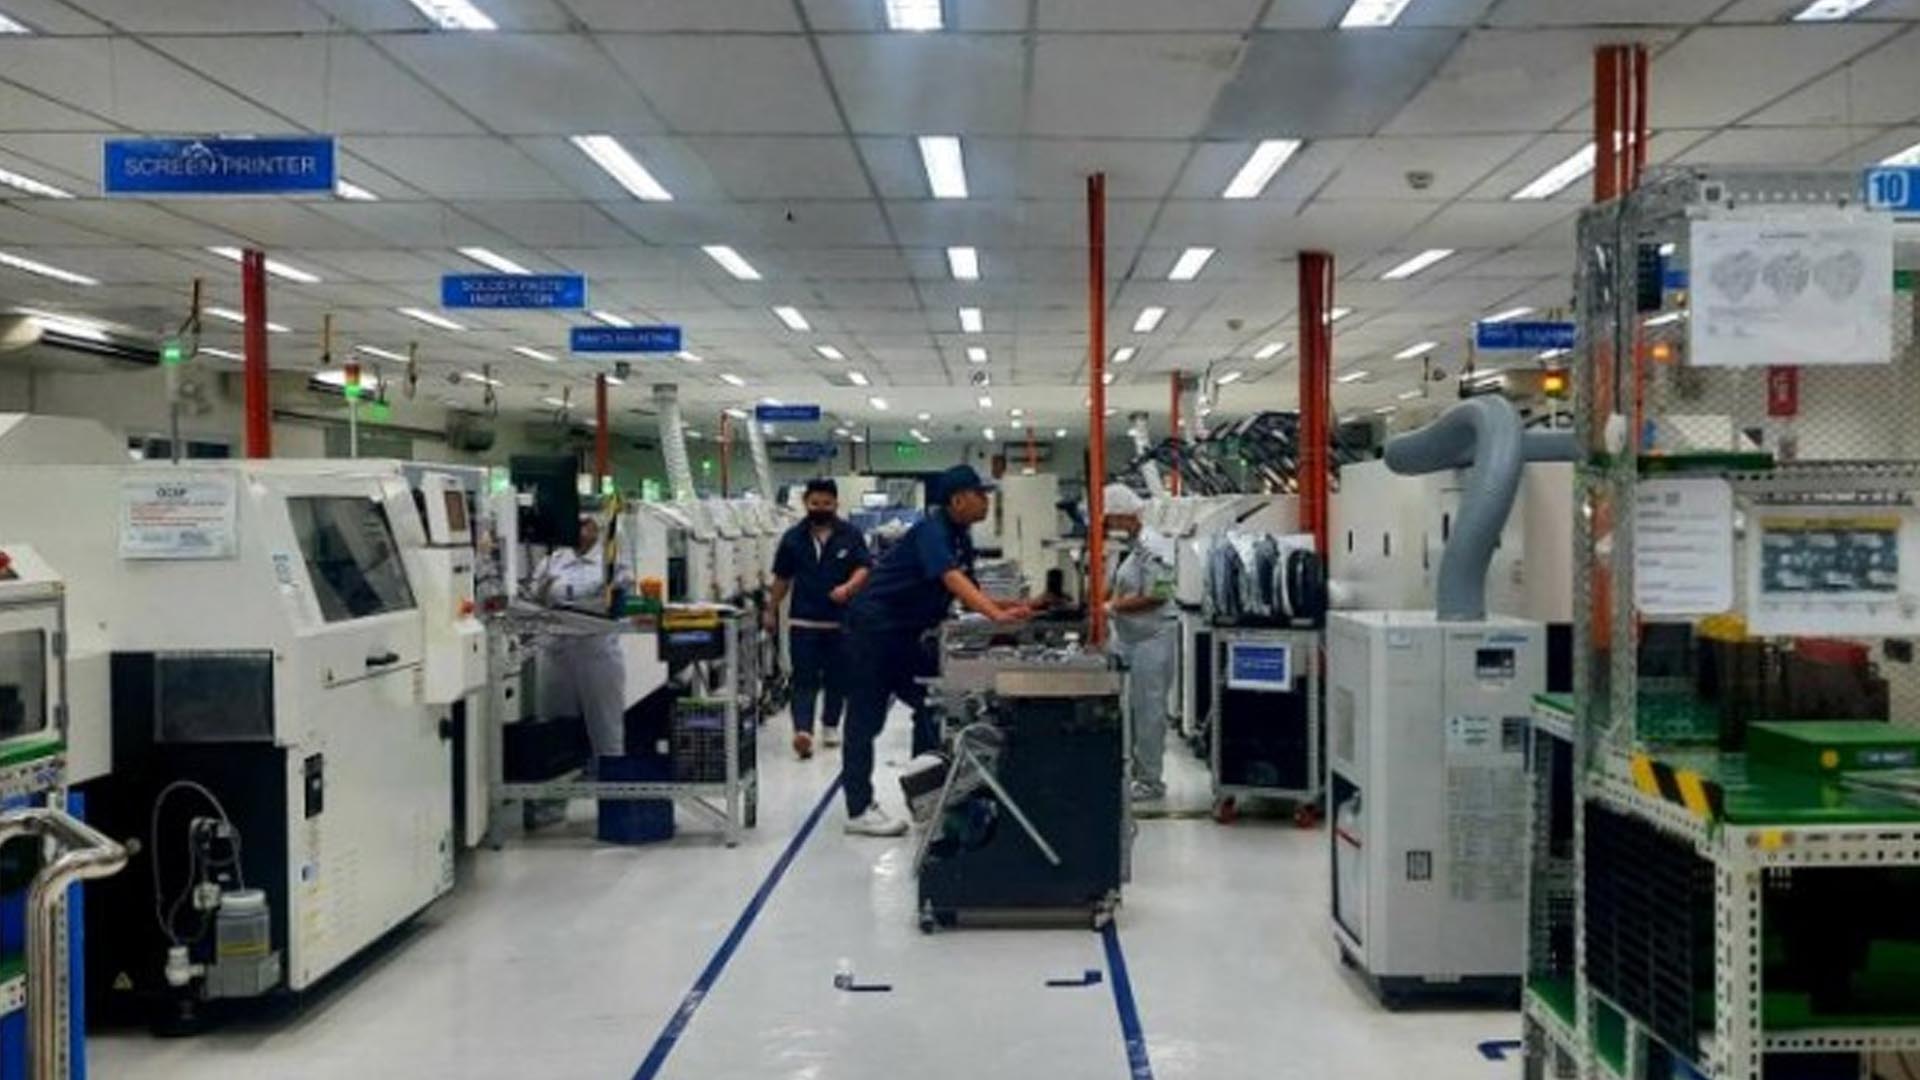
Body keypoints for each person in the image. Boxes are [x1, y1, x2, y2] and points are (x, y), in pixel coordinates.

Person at [838, 465, 1030, 837]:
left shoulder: (959, 536)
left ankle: (926, 796)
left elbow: (970, 589)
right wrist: (996, 616)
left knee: (934, 704)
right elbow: (950, 578)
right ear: (957, 500)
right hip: (872, 632)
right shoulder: (932, 531)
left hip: (906, 635)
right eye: (980, 495)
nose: (987, 502)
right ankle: (858, 809)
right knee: (865, 721)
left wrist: (1021, 607)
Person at [767, 478, 872, 761]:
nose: (821, 508)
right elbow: (782, 578)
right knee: (803, 679)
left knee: (838, 677)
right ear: (806, 503)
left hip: (840, 622)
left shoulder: (850, 534)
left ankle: (830, 724)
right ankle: (803, 731)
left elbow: (864, 567)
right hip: (804, 622)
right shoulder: (793, 538)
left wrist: (848, 588)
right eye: (815, 503)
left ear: (836, 504)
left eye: (827, 503)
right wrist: (770, 610)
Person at [533, 513, 631, 765]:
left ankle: (610, 785)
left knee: (606, 729)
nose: (579, 530)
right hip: (555, 653)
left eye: (585, 523)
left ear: (598, 527)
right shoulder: (552, 561)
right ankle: (558, 786)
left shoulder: (611, 561)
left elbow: (617, 597)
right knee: (554, 729)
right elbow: (535, 600)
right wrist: (543, 593)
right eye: (574, 523)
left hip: (596, 652)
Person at [1103, 483, 1179, 801]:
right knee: (1133, 711)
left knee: (1149, 711)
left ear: (1126, 516)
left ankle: (1151, 781)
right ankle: (1137, 773)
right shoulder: (1133, 548)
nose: (1109, 527)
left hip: (1153, 638)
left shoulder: (1155, 546)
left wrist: (1113, 607)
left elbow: (1159, 594)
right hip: (1133, 638)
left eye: (1111, 520)